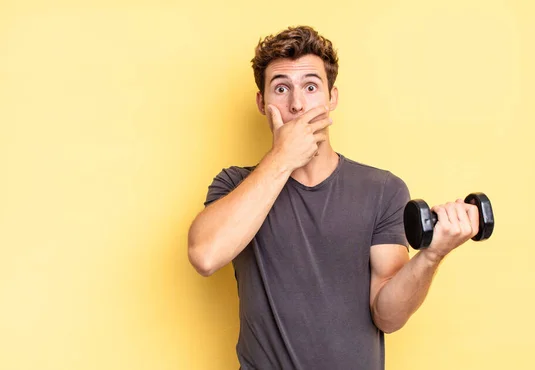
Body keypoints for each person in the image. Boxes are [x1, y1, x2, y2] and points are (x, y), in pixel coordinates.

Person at [187, 25, 480, 370]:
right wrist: (283, 157)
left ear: (332, 98)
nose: (297, 104)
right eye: (281, 88)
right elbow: (205, 256)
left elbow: (388, 317)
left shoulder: (383, 190)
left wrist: (431, 256)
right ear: (261, 103)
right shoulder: (235, 184)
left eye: (311, 87)